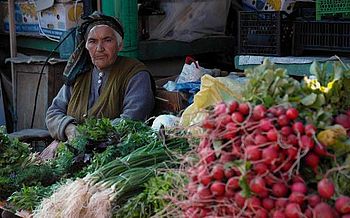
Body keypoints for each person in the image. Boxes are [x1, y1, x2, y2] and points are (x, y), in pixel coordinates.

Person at [44, 12, 155, 145]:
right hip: (75, 147)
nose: (99, 48)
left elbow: (131, 120)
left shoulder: (135, 74)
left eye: (107, 40)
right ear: (86, 47)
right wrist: (68, 129)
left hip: (115, 153)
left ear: (120, 45)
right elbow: (53, 112)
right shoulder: (80, 73)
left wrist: (85, 135)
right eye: (92, 41)